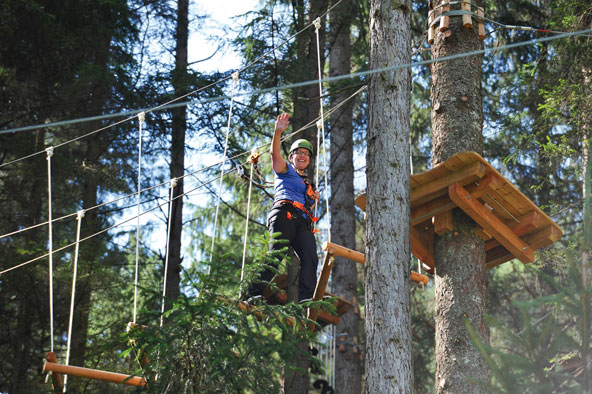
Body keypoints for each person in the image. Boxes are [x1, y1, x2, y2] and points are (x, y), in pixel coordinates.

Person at [247, 113, 320, 303]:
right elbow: (274, 155)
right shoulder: (285, 170)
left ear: (309, 160)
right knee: (276, 254)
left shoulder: (307, 185)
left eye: (306, 154)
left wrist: (313, 199)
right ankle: (252, 293)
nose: (302, 156)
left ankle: (306, 297)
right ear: (292, 157)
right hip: (284, 214)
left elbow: (309, 206)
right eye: (299, 153)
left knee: (311, 256)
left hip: (302, 222)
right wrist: (277, 132)